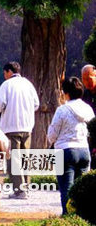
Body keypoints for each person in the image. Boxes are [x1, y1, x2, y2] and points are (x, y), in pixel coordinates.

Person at [47, 77, 94, 214]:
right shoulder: (88, 109)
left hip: (65, 151)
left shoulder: (62, 110)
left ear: (65, 92)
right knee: (82, 189)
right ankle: (81, 217)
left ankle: (68, 217)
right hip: (84, 150)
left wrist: (51, 138)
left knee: (67, 189)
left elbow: (52, 135)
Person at [0, 61, 39, 199]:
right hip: (27, 127)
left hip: (11, 127)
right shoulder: (28, 84)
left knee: (14, 159)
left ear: (8, 72)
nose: (4, 76)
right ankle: (26, 187)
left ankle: (19, 190)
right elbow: (36, 104)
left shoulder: (6, 85)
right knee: (25, 158)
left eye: (4, 73)